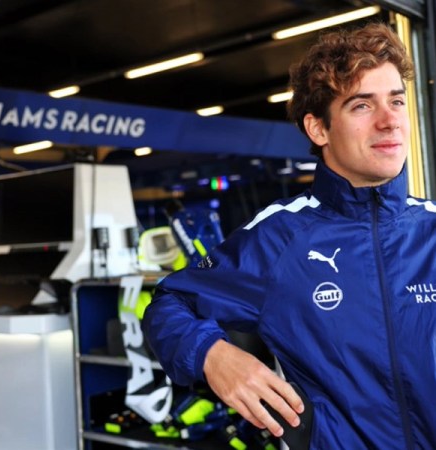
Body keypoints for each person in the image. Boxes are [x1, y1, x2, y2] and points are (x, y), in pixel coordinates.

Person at [142, 21, 436, 449]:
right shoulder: (280, 239)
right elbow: (170, 304)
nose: (390, 121)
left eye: (396, 101)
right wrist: (213, 355)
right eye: (362, 106)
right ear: (319, 129)